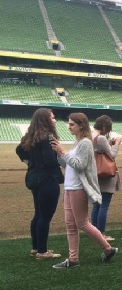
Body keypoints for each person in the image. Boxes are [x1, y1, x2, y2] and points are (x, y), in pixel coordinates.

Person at [50, 112, 118, 268]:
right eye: (68, 123)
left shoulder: (86, 143)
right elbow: (67, 164)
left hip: (78, 188)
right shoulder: (77, 143)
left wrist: (64, 152)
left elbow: (79, 164)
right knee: (70, 225)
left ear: (81, 125)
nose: (69, 126)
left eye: (72, 124)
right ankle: (73, 259)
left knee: (83, 223)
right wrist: (59, 152)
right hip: (69, 188)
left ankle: (108, 249)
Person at [15, 108, 64, 259]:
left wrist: (30, 163)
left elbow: (19, 150)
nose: (55, 120)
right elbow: (50, 161)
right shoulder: (48, 137)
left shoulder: (30, 137)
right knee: (45, 216)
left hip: (34, 179)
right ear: (46, 120)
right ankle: (43, 251)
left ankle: (36, 248)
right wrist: (60, 153)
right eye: (52, 117)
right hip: (47, 180)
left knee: (38, 214)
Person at [91, 115, 122, 241]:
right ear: (104, 127)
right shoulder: (101, 138)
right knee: (104, 206)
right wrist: (117, 144)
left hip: (95, 173)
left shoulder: (90, 136)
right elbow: (112, 155)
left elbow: (101, 151)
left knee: (96, 205)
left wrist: (110, 144)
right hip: (105, 175)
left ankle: (94, 231)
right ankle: (101, 234)